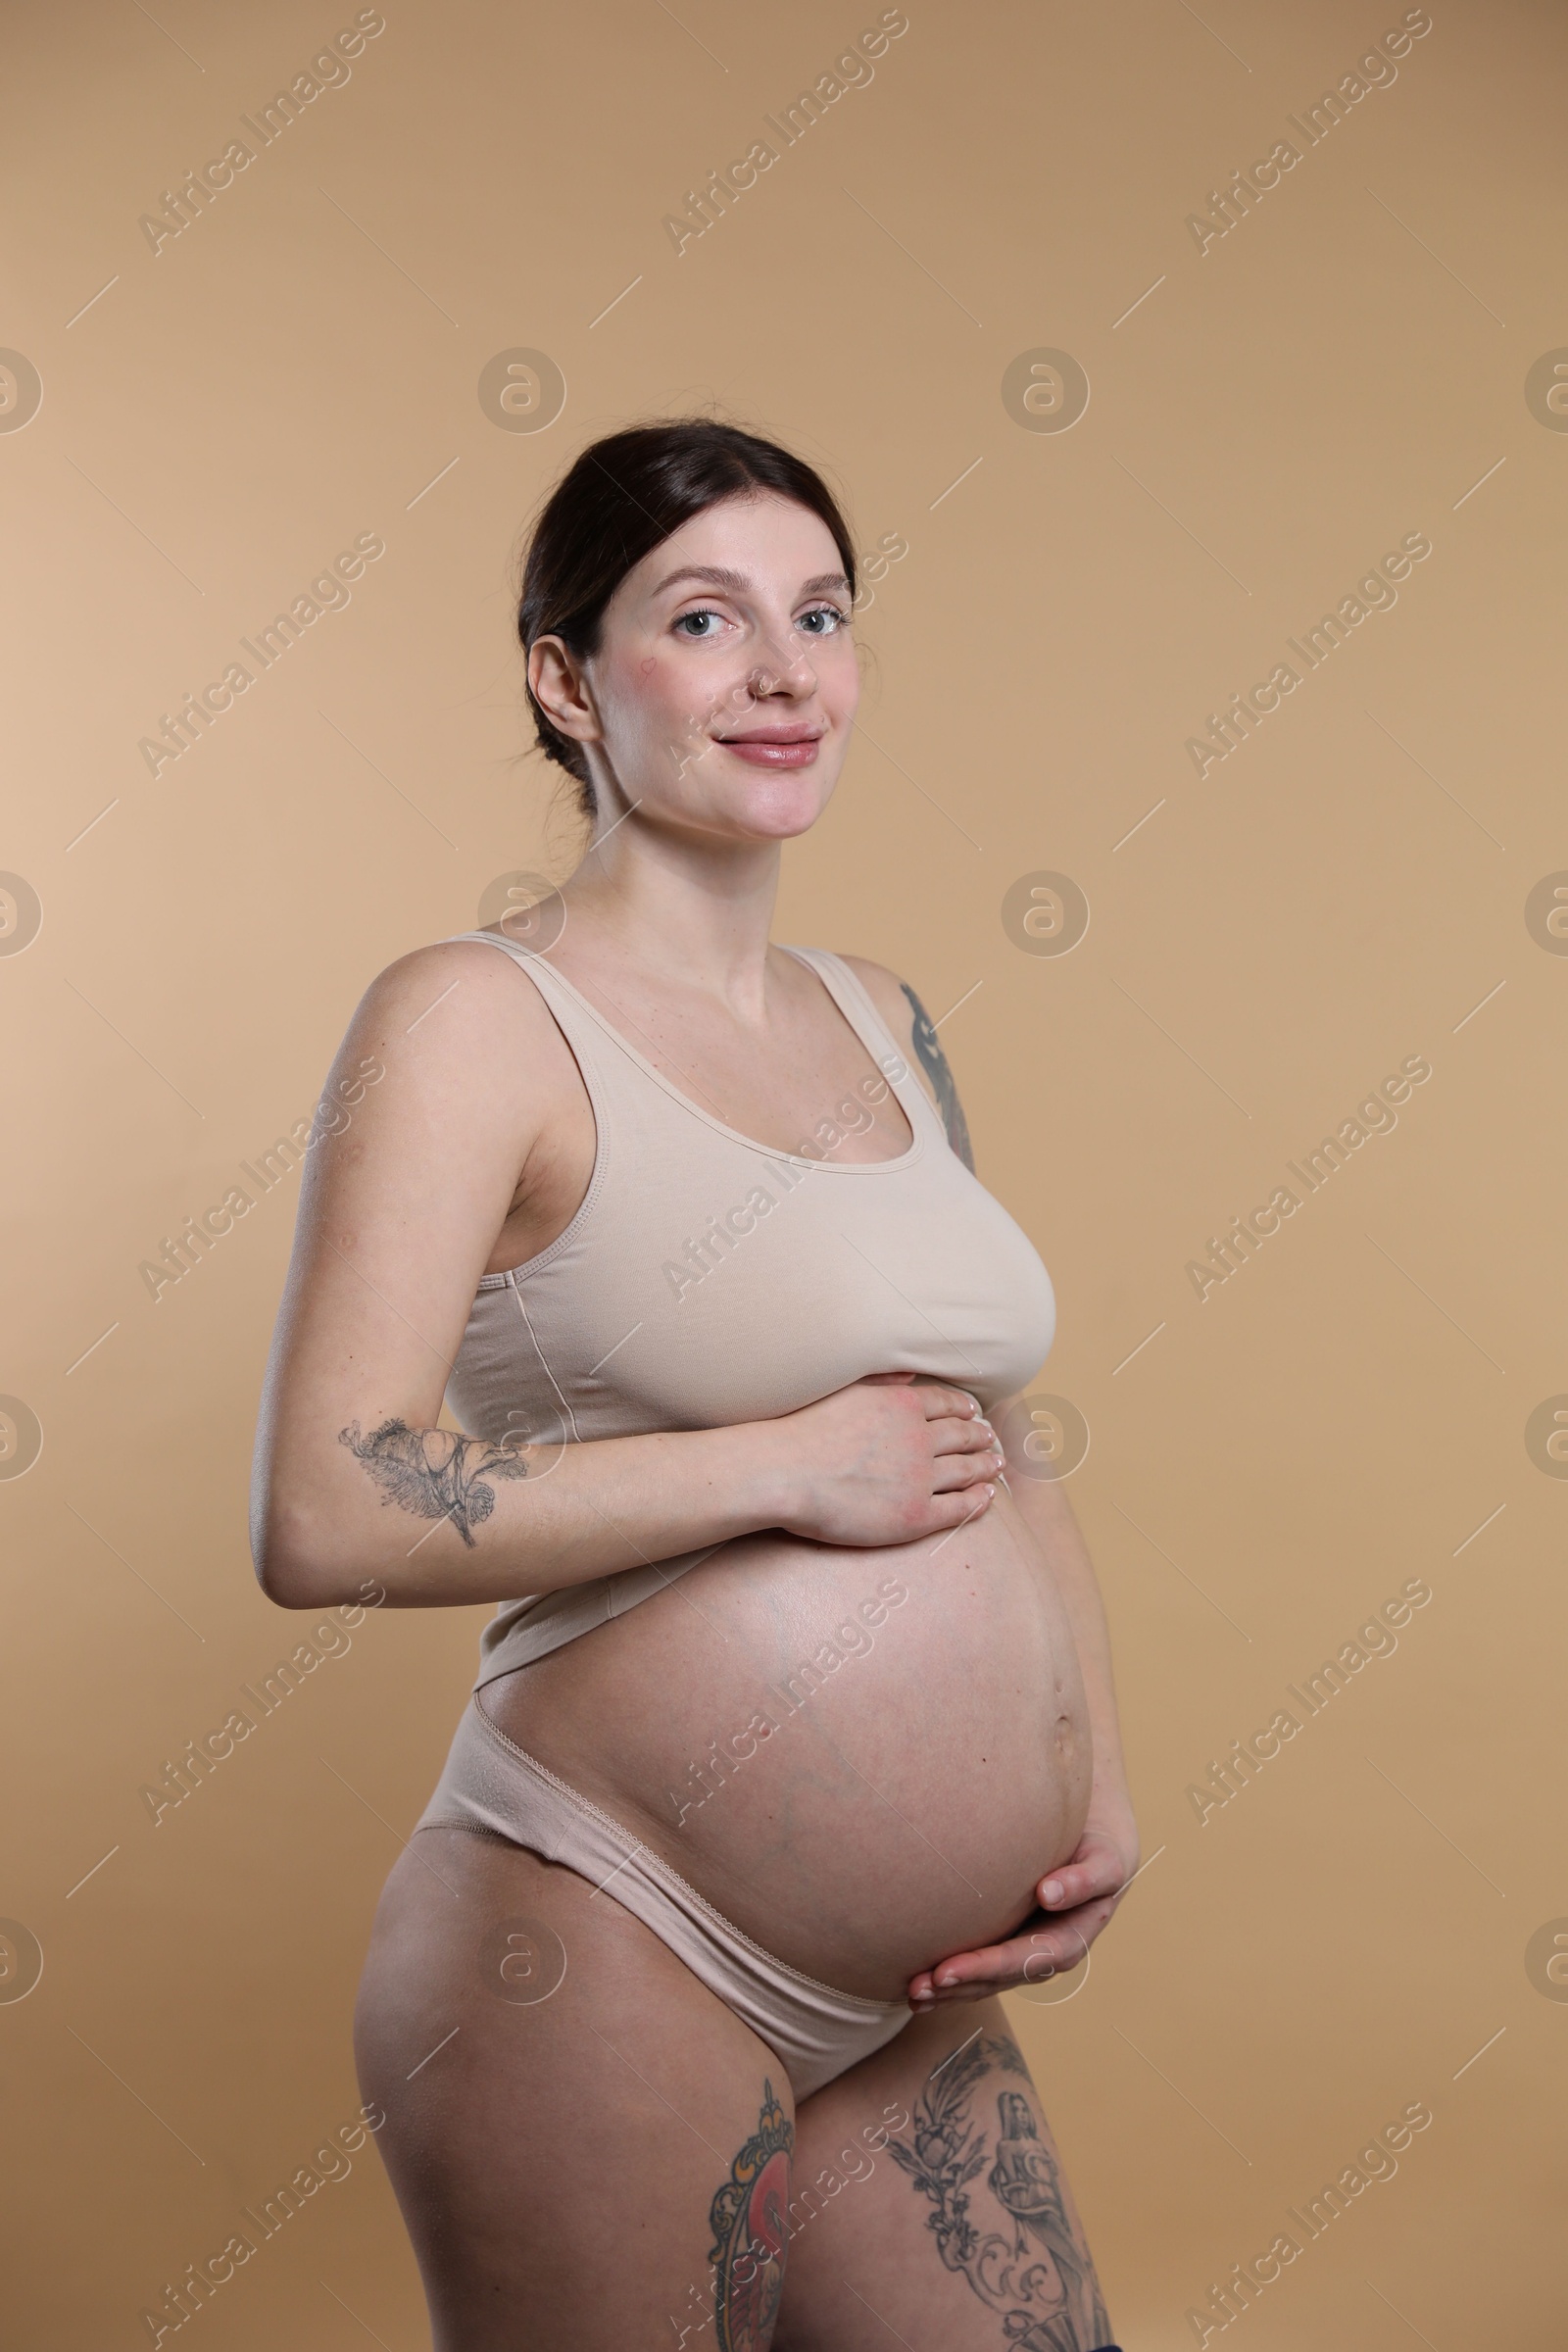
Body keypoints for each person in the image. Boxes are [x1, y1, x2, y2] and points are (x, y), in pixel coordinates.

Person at [251, 416, 1139, 2350]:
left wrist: (1096, 1785)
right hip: (596, 1934)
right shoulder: (474, 1019)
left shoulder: (883, 1016)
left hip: (912, 1989)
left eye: (816, 615)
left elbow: (987, 1427)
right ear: (566, 680)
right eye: (703, 617)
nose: (779, 669)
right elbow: (326, 1507)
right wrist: (782, 1470)